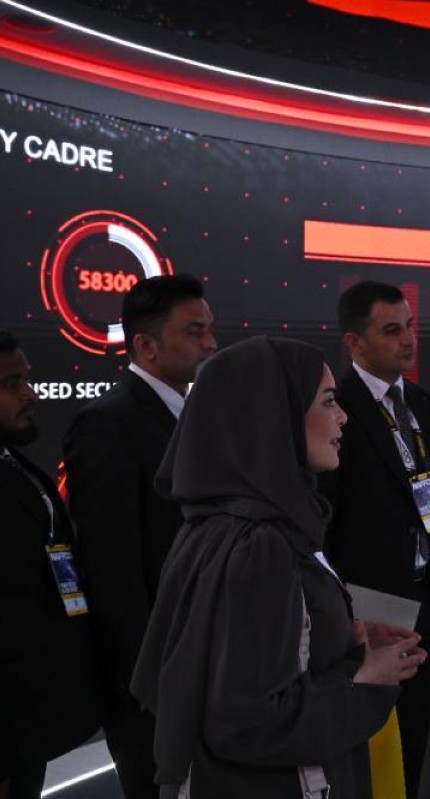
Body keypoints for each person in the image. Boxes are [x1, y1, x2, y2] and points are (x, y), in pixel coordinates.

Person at [130, 335, 425, 798]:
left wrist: (336, 635)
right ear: (273, 417)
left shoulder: (220, 523)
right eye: (327, 401)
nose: (342, 416)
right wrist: (367, 676)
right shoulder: (261, 545)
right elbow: (247, 720)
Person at [62, 273, 216, 799]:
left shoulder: (194, 415)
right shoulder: (107, 423)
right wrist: (152, 678)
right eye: (194, 331)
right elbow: (113, 572)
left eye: (209, 328)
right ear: (146, 345)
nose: (210, 343)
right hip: (154, 679)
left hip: (204, 663)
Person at [322, 281, 430, 795]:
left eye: (410, 327)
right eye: (391, 330)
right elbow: (325, 517)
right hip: (370, 608)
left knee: (418, 740)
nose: (408, 340)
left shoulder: (426, 404)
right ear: (354, 342)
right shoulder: (334, 409)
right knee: (366, 745)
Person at [0, 330, 101, 799]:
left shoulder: (18, 466)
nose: (30, 393)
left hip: (33, 716)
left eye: (27, 379)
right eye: (11, 384)